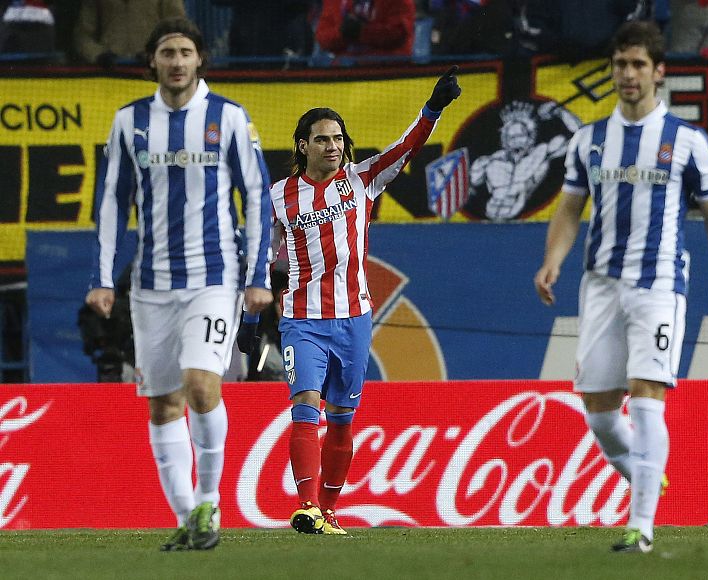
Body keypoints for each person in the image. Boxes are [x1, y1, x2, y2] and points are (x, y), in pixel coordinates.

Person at [534, 20, 708, 553]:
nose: (627, 74)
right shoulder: (589, 140)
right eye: (620, 65)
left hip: (659, 286)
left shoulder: (688, 142)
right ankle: (649, 477)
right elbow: (568, 209)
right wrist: (551, 261)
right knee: (601, 415)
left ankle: (642, 526)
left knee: (647, 400)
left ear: (658, 72)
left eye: (637, 65)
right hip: (600, 286)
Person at [85, 16, 273, 551]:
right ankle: (189, 516)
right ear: (153, 62)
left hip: (215, 277)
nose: (176, 61)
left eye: (185, 52)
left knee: (201, 385)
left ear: (200, 60)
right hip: (150, 286)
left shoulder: (230, 118)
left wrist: (258, 275)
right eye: (167, 52)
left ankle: (210, 502)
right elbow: (110, 203)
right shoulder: (129, 122)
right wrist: (102, 278)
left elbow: (256, 197)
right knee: (163, 404)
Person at [253, 66, 460, 535]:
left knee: (343, 420)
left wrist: (432, 109)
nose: (333, 146)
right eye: (322, 139)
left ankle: (327, 510)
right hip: (302, 319)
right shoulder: (276, 197)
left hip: (354, 319)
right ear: (302, 145)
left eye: (338, 138)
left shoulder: (362, 179)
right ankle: (306, 506)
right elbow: (256, 254)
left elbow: (405, 148)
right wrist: (251, 312)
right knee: (306, 404)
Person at [73, 0, 185, 67]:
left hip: (152, 72)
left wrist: (155, 53)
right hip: (109, 73)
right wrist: (98, 55)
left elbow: (176, 29)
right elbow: (83, 34)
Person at [315, 0, 415, 59]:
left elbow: (399, 33)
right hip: (344, 74)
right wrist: (341, 33)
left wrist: (362, 32)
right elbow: (322, 37)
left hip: (387, 74)